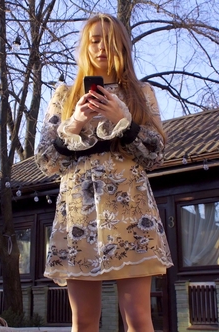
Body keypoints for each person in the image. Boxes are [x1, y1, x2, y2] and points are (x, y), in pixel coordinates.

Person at [35, 13, 173, 332]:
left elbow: (155, 154)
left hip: (130, 209)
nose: (101, 47)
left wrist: (123, 119)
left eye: (109, 41)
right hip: (79, 214)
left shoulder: (141, 94)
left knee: (138, 316)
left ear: (122, 47)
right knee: (83, 320)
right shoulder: (65, 96)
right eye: (94, 40)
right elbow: (45, 160)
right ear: (85, 45)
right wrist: (75, 122)